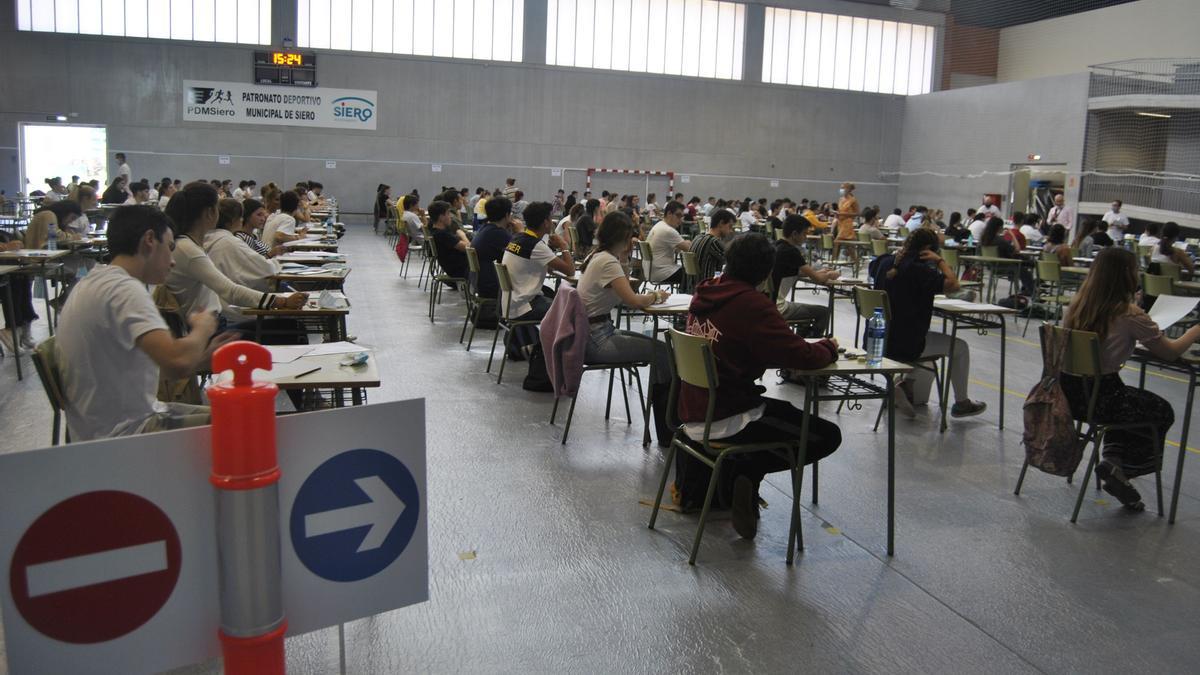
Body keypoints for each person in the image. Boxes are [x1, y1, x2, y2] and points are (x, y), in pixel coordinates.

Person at [679, 232, 843, 537]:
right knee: (826, 435)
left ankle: (744, 473)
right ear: (768, 272)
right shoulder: (752, 304)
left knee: (783, 412)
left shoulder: (704, 293)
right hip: (730, 416)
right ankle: (747, 470)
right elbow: (801, 355)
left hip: (692, 411)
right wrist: (829, 347)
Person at [55, 205, 240, 441]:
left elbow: (132, 371)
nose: (172, 261)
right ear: (150, 240)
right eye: (170, 248)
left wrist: (202, 359)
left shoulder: (94, 282)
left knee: (234, 413)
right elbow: (177, 362)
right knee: (244, 422)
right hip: (125, 434)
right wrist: (203, 327)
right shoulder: (123, 289)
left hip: (105, 427)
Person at [1061, 247, 1200, 509]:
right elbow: (1170, 353)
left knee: (1130, 405)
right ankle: (1122, 468)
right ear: (1126, 274)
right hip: (1104, 397)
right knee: (1160, 410)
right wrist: (1195, 330)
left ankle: (1113, 461)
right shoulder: (1129, 314)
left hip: (1069, 395)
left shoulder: (1076, 306)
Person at [576, 211, 673, 444]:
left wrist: (625, 259)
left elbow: (625, 288)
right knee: (663, 353)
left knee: (660, 349)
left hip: (595, 332)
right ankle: (667, 428)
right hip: (597, 339)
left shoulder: (598, 255)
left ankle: (666, 426)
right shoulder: (608, 262)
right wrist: (656, 295)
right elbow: (634, 300)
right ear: (625, 236)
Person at [871, 228, 988, 419]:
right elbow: (954, 285)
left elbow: (876, 269)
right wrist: (940, 261)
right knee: (960, 347)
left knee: (928, 347)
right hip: (904, 344)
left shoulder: (884, 262)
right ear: (926, 249)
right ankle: (962, 403)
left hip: (878, 342)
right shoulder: (919, 270)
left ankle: (905, 386)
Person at [163, 182, 305, 321]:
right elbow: (231, 290)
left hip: (209, 321)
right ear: (210, 213)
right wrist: (281, 302)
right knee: (291, 323)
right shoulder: (188, 249)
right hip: (208, 327)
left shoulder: (193, 243)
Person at [500, 201, 574, 348]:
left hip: (509, 303)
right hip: (523, 306)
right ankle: (547, 350)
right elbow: (570, 271)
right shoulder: (535, 245)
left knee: (553, 297)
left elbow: (545, 267)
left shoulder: (518, 238)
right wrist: (564, 246)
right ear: (545, 222)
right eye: (550, 218)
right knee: (569, 310)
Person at [771, 215, 836, 336]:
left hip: (768, 302)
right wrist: (831, 274)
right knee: (823, 312)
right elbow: (818, 279)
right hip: (777, 306)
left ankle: (801, 340)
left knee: (807, 314)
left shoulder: (777, 246)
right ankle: (810, 344)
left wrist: (822, 272)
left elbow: (800, 272)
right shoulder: (791, 251)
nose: (806, 237)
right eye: (804, 234)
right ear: (795, 234)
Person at [471, 196, 516, 306]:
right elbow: (519, 252)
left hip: (480, 283)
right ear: (507, 215)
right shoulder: (498, 233)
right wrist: (519, 232)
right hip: (493, 286)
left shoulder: (485, 229)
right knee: (545, 292)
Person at [980, 216, 1034, 295]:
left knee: (1023, 268)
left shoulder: (982, 239)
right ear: (999, 227)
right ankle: (1033, 292)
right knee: (1025, 270)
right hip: (1005, 267)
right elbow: (1017, 249)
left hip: (991, 266)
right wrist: (1012, 235)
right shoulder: (1000, 240)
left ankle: (1029, 290)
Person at [646, 200, 691, 285]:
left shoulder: (659, 225)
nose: (680, 220)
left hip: (651, 271)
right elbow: (690, 249)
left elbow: (679, 247)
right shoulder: (668, 230)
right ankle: (689, 297)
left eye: (682, 216)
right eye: (678, 216)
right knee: (695, 274)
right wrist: (688, 242)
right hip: (663, 273)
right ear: (669, 213)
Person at [428, 199, 469, 283]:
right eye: (448, 213)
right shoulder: (442, 234)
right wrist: (462, 235)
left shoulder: (435, 231)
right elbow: (468, 247)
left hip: (454, 269)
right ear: (441, 217)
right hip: (460, 272)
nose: (450, 216)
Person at [689, 209, 734, 282]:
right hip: (708, 285)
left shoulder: (697, 238)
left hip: (693, 284)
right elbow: (732, 261)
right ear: (721, 223)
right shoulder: (713, 242)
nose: (731, 230)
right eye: (730, 226)